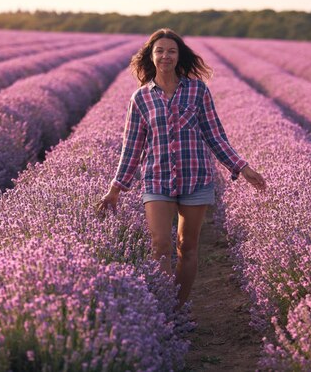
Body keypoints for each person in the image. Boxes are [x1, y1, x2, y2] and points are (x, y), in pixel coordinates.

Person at [97, 28, 266, 311]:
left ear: (179, 55)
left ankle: (178, 308)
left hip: (196, 178)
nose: (166, 56)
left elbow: (215, 136)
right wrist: (115, 189)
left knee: (186, 247)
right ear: (151, 57)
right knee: (160, 245)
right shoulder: (140, 98)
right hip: (157, 179)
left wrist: (242, 168)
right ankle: (163, 306)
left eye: (171, 51)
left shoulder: (198, 90)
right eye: (160, 51)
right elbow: (132, 148)